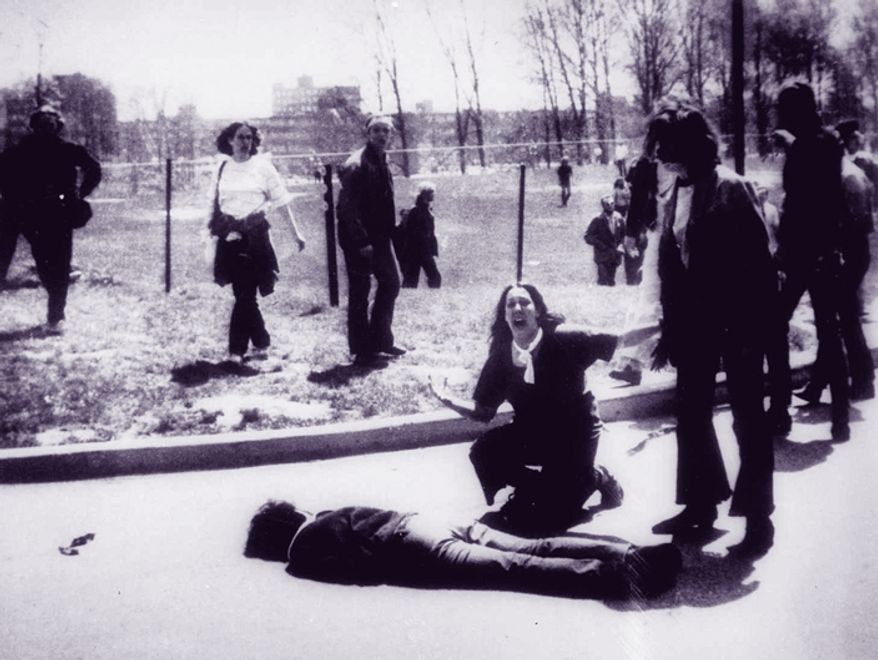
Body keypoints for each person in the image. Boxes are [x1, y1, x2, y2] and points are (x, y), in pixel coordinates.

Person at [647, 100, 777, 557]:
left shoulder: (733, 188)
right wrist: (669, 329)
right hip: (693, 327)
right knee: (691, 415)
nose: (660, 153)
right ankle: (700, 505)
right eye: (658, 145)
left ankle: (759, 518)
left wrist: (757, 331)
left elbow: (762, 267)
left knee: (747, 420)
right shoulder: (674, 195)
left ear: (696, 146)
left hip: (739, 325)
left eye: (669, 145)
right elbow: (671, 266)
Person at [430, 283, 632, 536]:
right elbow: (483, 411)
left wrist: (667, 329)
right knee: (484, 451)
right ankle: (539, 490)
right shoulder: (502, 357)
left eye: (525, 302)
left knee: (554, 520)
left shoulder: (564, 338)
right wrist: (448, 400)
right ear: (504, 316)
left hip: (575, 434)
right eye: (510, 304)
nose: (517, 308)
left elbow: (621, 339)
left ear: (537, 311)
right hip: (533, 431)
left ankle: (595, 476)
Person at [244, 499, 683, 600]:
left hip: (412, 548)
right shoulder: (326, 512)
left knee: (515, 568)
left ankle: (632, 577)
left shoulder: (299, 556)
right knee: (535, 545)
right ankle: (632, 553)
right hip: (426, 520)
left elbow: (351, 570)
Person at [773, 81, 850, 441]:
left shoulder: (809, 146)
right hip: (824, 249)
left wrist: (786, 252)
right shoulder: (826, 141)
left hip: (807, 251)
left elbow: (802, 202)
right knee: (829, 331)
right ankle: (841, 420)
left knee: (774, 326)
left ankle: (779, 411)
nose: (780, 117)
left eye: (784, 110)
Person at [207, 121, 306, 364]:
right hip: (230, 238)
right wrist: (214, 233)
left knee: (246, 295)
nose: (245, 142)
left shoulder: (263, 167)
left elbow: (282, 202)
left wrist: (296, 235)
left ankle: (236, 351)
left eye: (249, 137)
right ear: (229, 140)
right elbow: (213, 204)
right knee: (243, 294)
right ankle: (261, 340)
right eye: (240, 137)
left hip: (256, 238)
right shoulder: (222, 168)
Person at [0, 105, 101, 332]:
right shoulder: (18, 151)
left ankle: (56, 317)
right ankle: (56, 316)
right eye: (43, 122)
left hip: (57, 214)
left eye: (51, 122)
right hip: (30, 215)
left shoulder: (69, 150)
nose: (47, 126)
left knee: (56, 266)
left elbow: (94, 169)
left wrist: (80, 195)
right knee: (49, 265)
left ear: (58, 126)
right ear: (34, 126)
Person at [797, 122, 875, 403]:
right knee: (839, 321)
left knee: (842, 320)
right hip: (848, 253)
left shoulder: (848, 176)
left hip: (849, 255)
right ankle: (823, 384)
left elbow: (855, 224)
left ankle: (861, 380)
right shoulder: (844, 173)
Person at [336, 116, 404, 368]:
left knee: (391, 283)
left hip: (379, 236)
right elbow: (347, 209)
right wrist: (361, 240)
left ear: (391, 135)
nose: (381, 135)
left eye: (386, 130)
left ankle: (381, 340)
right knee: (360, 292)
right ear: (368, 133)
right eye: (376, 130)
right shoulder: (356, 164)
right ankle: (361, 350)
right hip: (358, 238)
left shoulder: (382, 159)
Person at [756, 185, 792, 436]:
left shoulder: (767, 212)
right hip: (770, 284)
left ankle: (777, 409)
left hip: (762, 286)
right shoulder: (768, 211)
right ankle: (780, 409)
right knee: (776, 353)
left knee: (771, 352)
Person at [398, 182, 441, 289]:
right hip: (418, 250)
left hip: (419, 250)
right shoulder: (417, 210)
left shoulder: (424, 209)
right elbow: (413, 232)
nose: (433, 195)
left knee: (411, 279)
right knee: (432, 277)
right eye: (431, 193)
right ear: (425, 194)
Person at [584, 195, 625, 286]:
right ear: (603, 206)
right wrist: (599, 244)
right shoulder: (598, 220)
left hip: (615, 255)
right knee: (602, 279)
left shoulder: (619, 218)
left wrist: (621, 246)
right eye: (607, 204)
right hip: (602, 255)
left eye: (612, 203)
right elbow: (588, 236)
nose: (610, 206)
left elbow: (624, 234)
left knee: (611, 281)